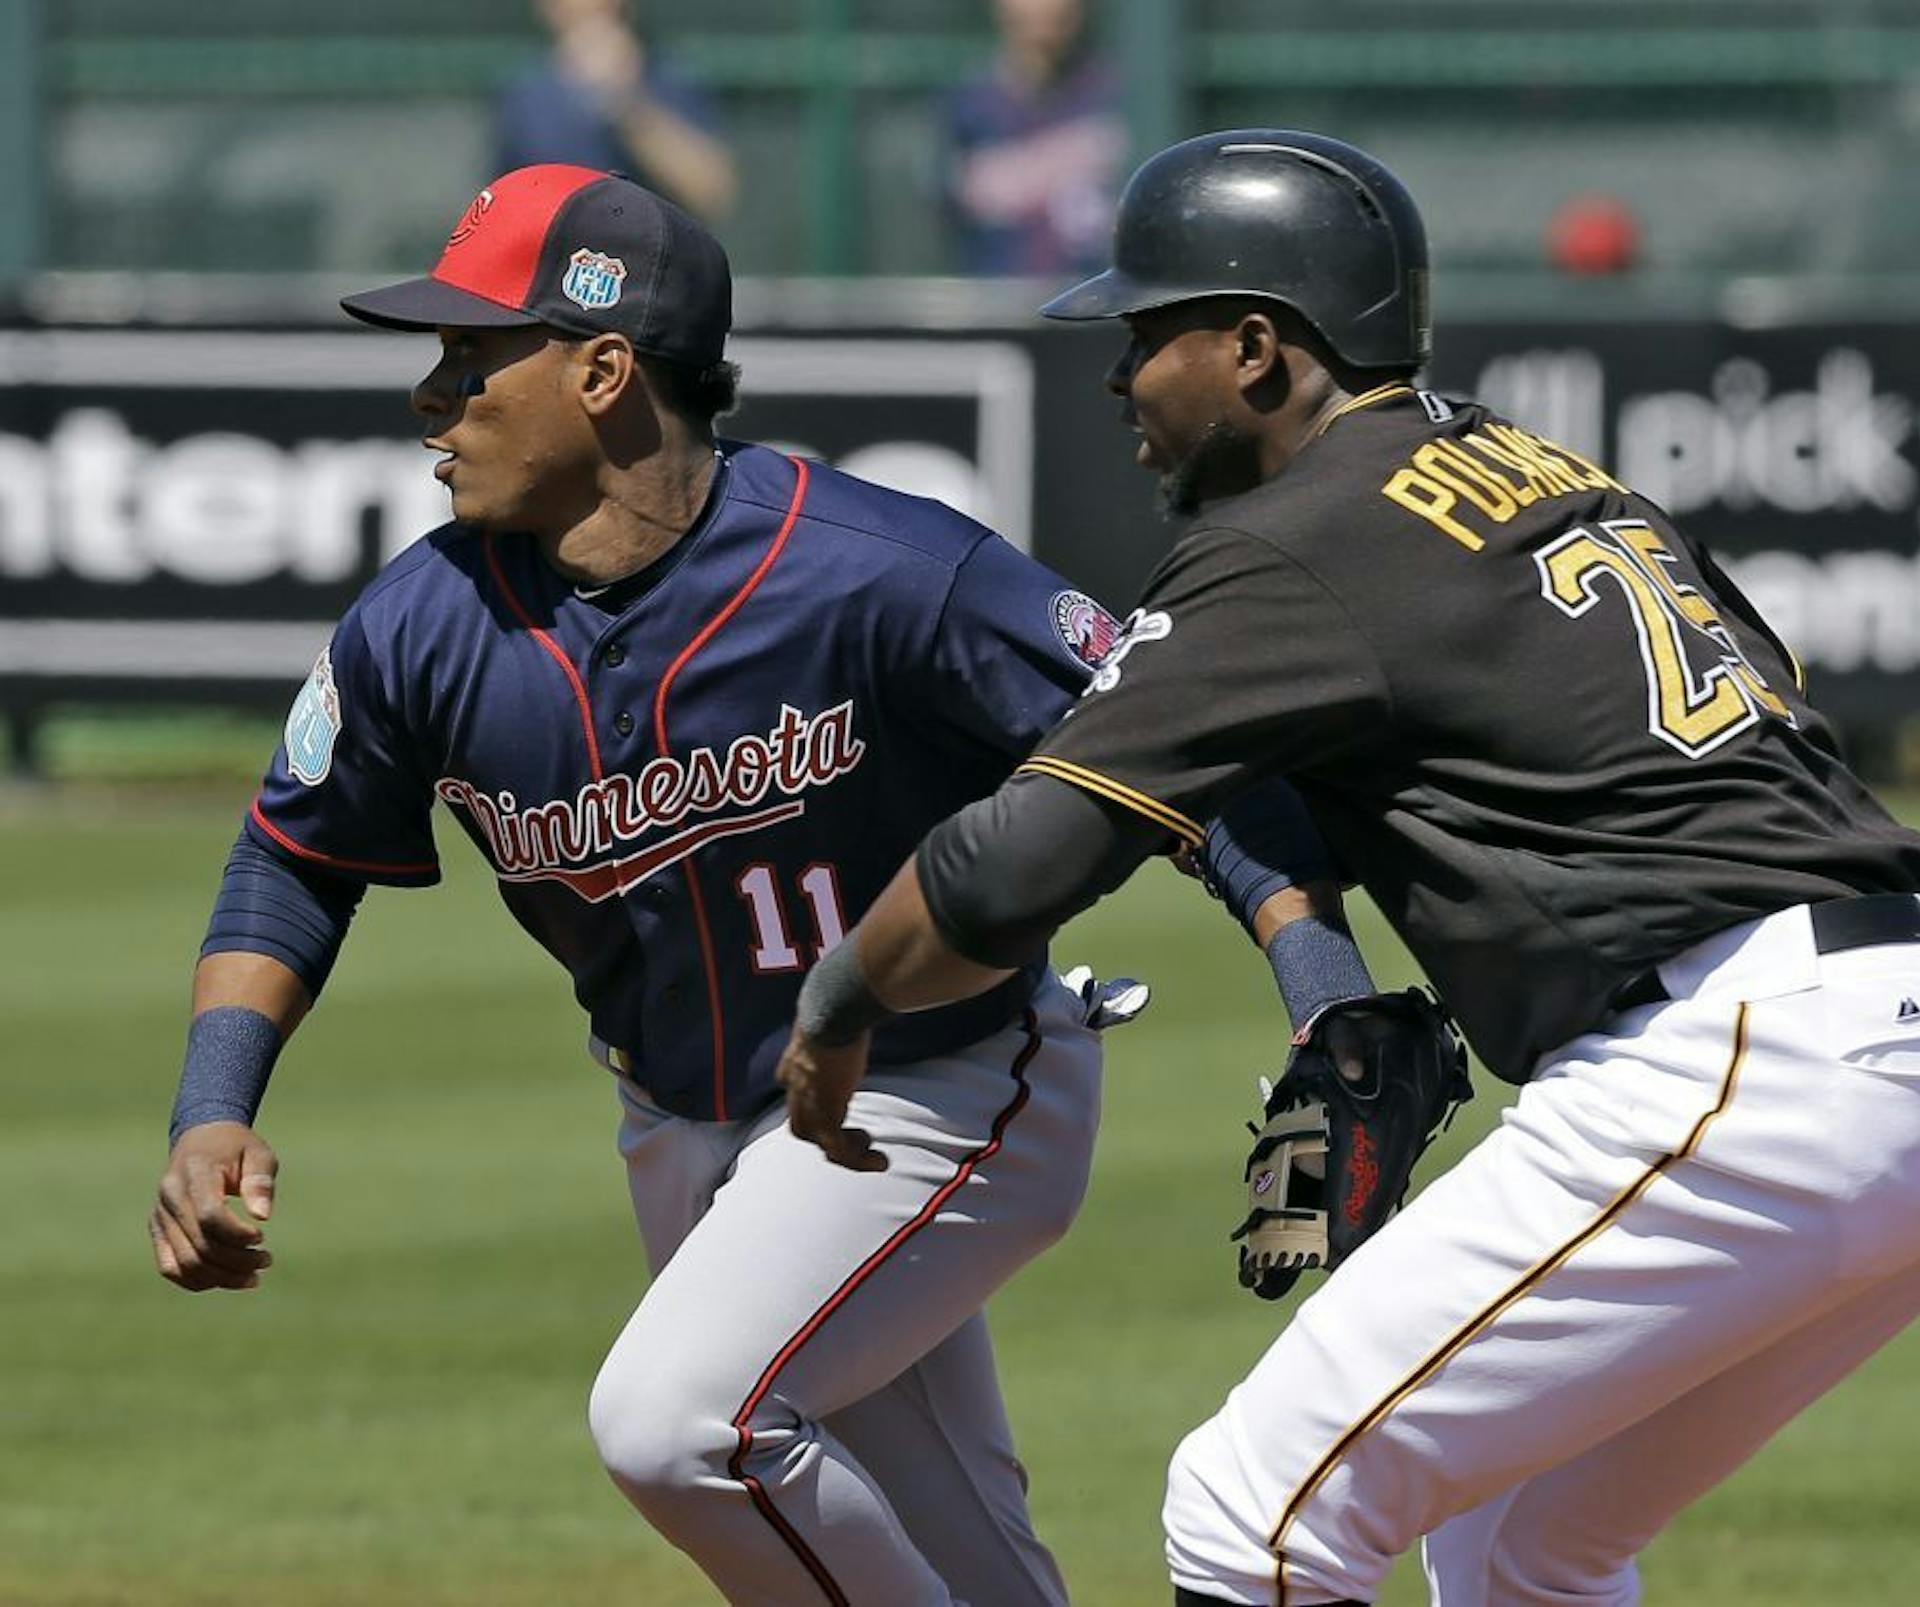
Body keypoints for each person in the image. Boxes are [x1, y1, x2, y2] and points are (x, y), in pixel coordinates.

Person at [777, 129, 1920, 1606]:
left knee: (1248, 1510)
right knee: (1526, 1544)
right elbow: (1757, 681)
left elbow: (1015, 867)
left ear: (1257, 347)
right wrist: (1327, 980)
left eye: (1148, 332)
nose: (1119, 375)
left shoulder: (1295, 538)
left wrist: (838, 996)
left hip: (1754, 1060)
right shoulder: (1537, 466)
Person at [144, 161, 1359, 1606]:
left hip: (944, 1083)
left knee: (676, 1427)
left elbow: (1186, 744)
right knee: (964, 1548)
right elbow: (294, 852)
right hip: (681, 1123)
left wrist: (1323, 995)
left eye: (473, 354)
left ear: (602, 370)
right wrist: (215, 1105)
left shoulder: (882, 569)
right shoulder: (423, 623)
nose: (431, 395)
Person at [495, 0, 737, 221]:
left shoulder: (667, 77)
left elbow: (711, 192)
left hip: (650, 258)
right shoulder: (526, 93)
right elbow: (502, 208)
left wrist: (626, 104)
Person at [943, 0, 1123, 276]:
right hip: (995, 305)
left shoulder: (1117, 95)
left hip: (1097, 302)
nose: (1045, 8)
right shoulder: (968, 107)